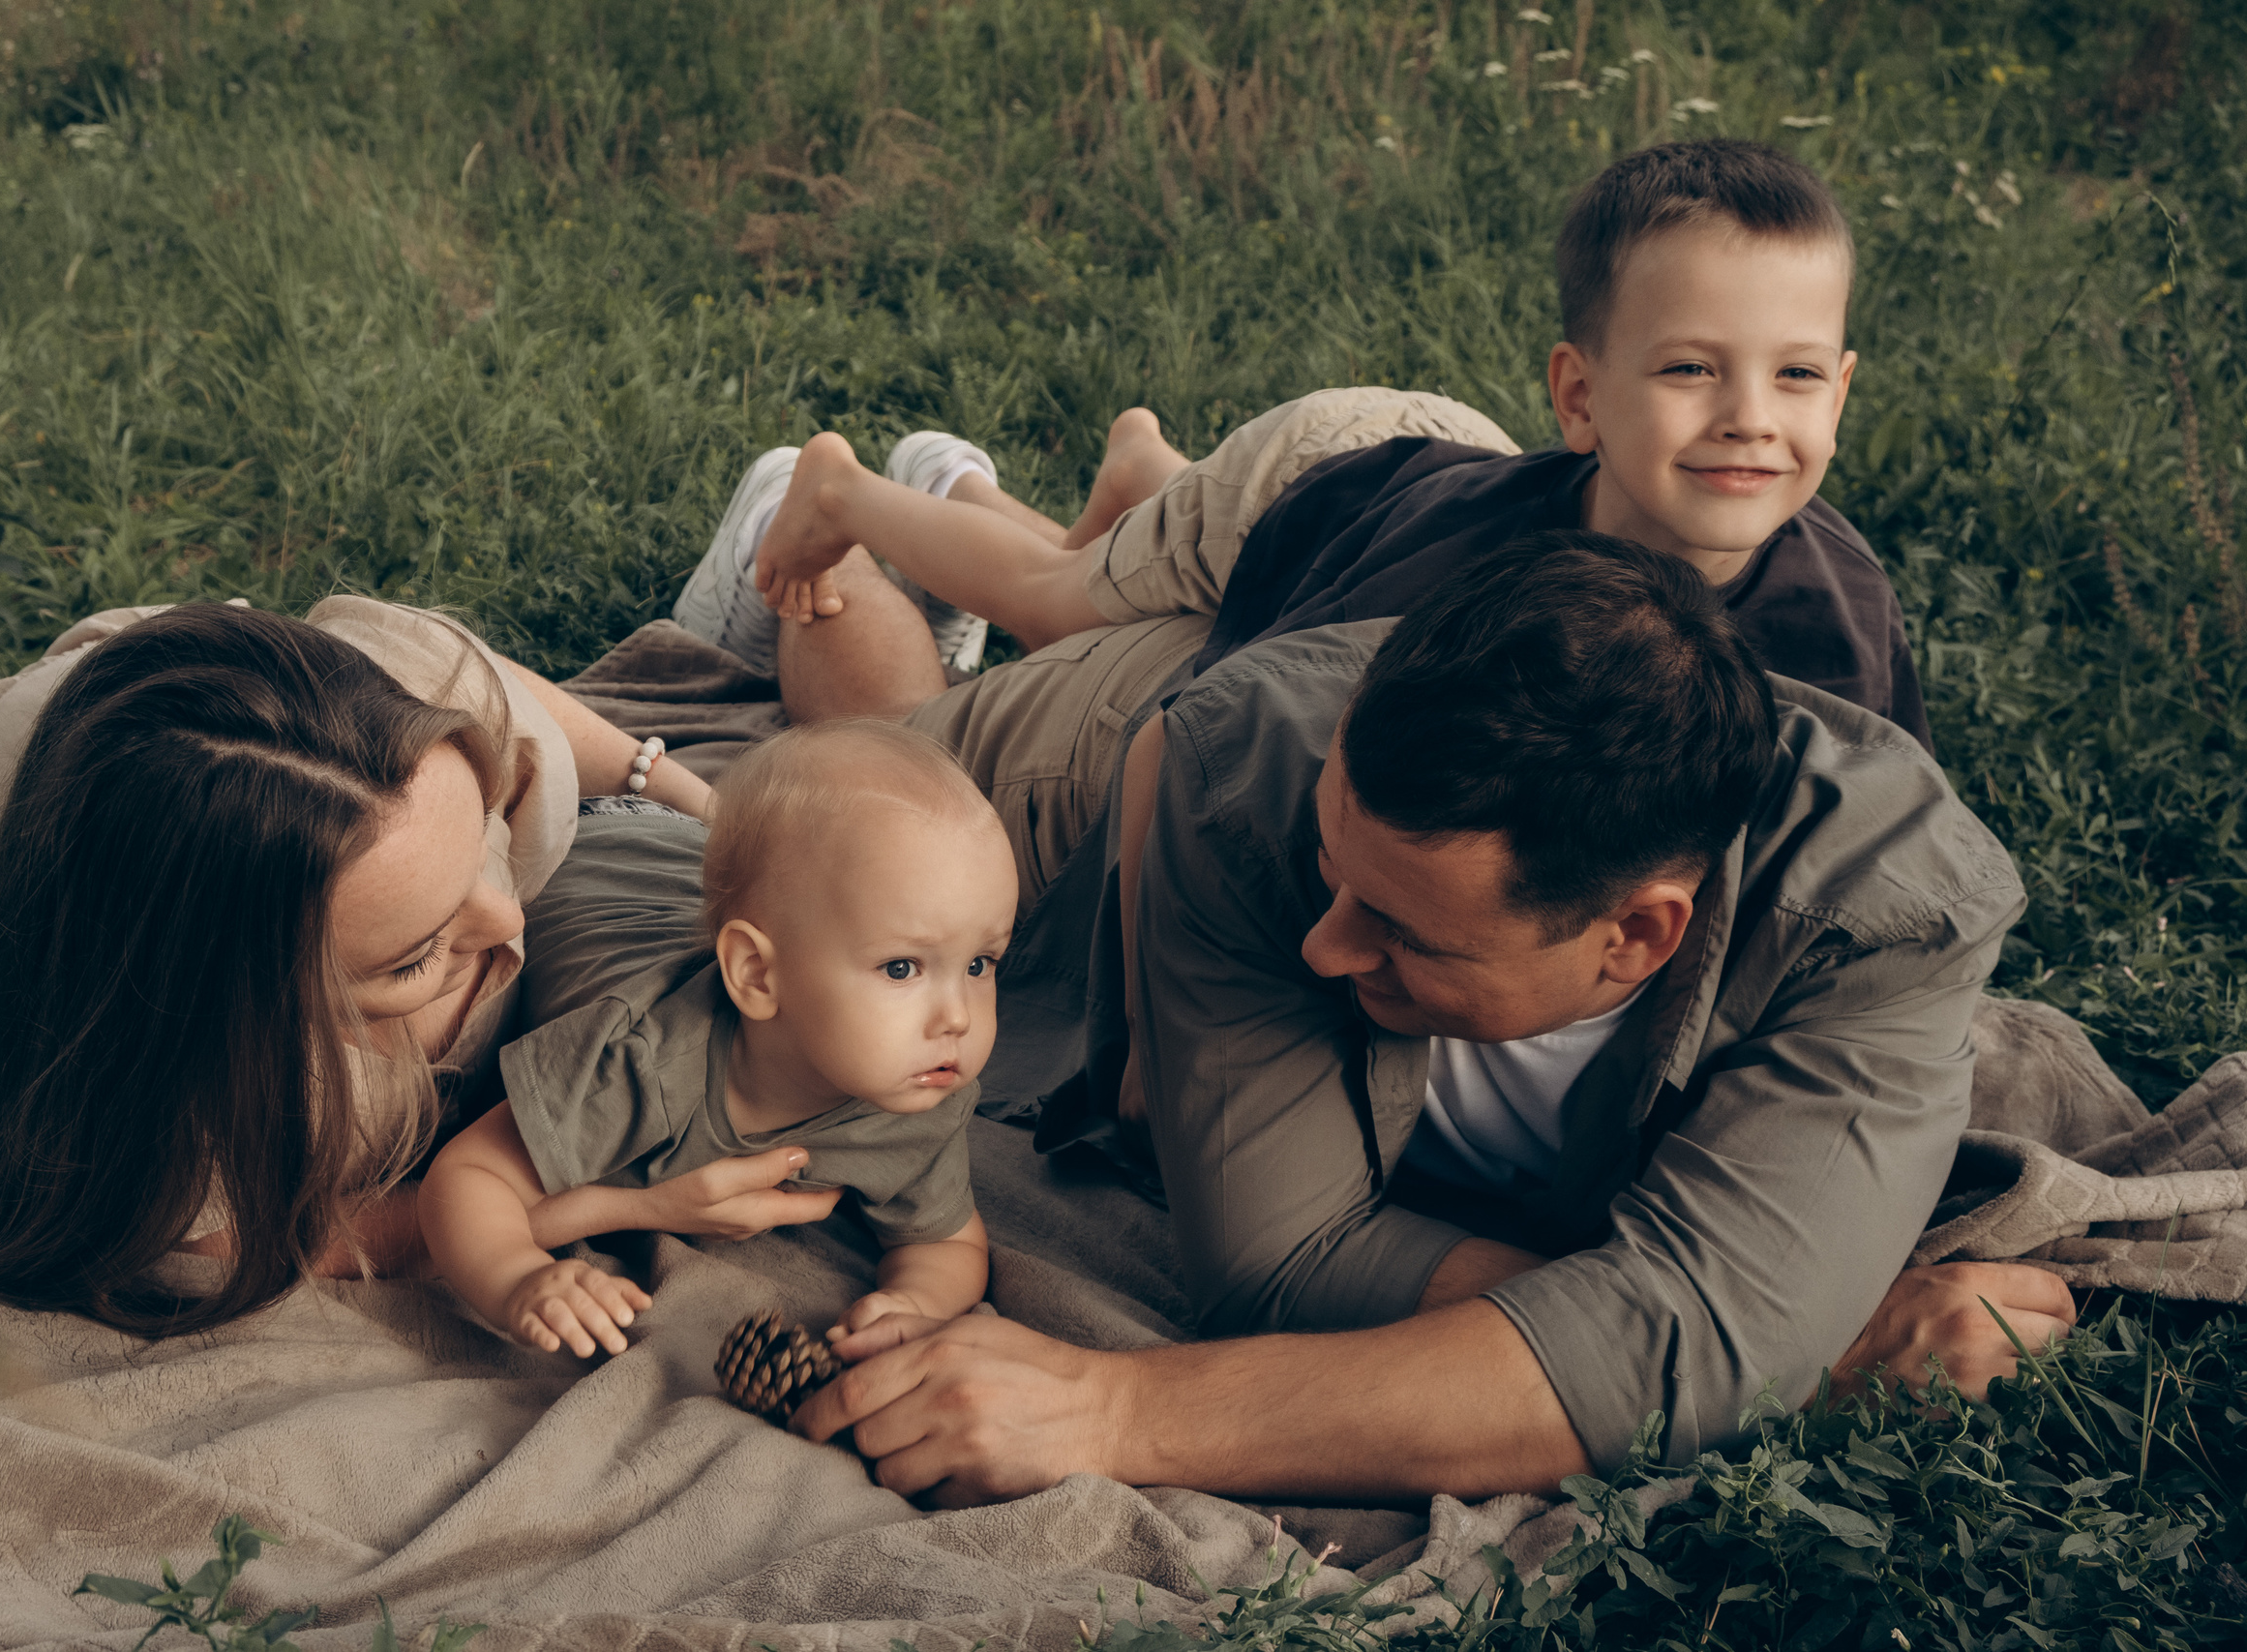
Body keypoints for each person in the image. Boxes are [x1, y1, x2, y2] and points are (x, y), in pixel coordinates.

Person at [772, 535, 2079, 1509]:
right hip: (1068, 779)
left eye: (1402, 931)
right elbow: (1285, 1261)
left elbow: (1684, 1333)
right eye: (1329, 870)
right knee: (828, 797)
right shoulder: (1250, 772)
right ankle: (811, 532)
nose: (1323, 946)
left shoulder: (1887, 916)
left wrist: (1112, 1409)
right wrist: (1776, 1338)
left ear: (1636, 935)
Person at [0, 597, 852, 1336]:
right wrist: (619, 1202)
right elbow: (305, 1235)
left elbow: (505, 702)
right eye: (418, 952)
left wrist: (691, 797)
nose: (506, 913)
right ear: (246, 1013)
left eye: (479, 829)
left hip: (196, 702)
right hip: (52, 796)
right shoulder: (151, 1126)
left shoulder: (407, 729)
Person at [687, 136, 1928, 762]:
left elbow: (1886, 810)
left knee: (1149, 578)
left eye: (1795, 375)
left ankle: (1135, 481)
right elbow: (1232, 708)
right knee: (1059, 605)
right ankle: (842, 491)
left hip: (1380, 492)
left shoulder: (1844, 606)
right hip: (1318, 473)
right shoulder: (1471, 574)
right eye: (1689, 368)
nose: (1750, 417)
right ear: (1580, 396)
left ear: (1841, 389)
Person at [418, 721, 1010, 1359]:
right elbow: (470, 1174)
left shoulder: (921, 1087)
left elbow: (946, 1240)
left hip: (697, 866)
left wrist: (916, 1302)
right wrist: (518, 1276)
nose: (957, 1017)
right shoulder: (636, 1060)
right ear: (757, 976)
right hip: (596, 836)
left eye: (980, 964)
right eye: (901, 968)